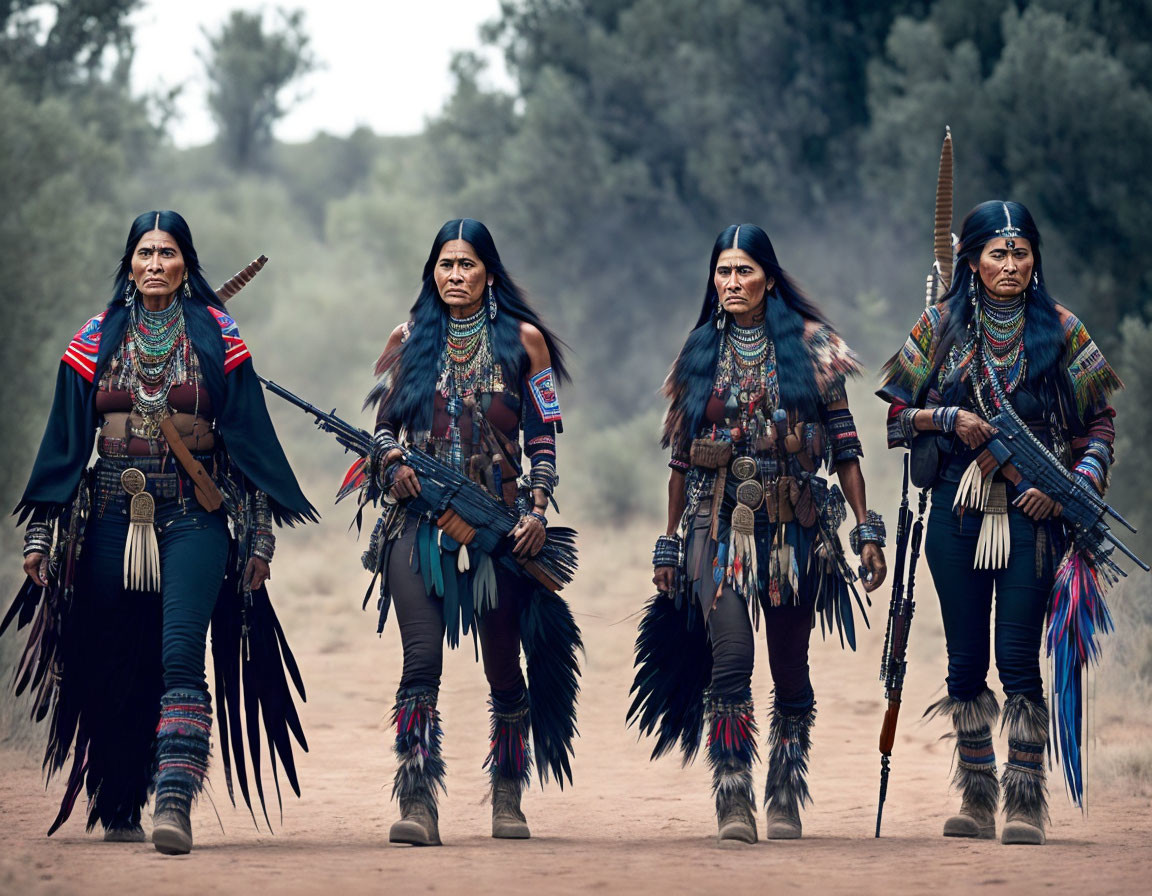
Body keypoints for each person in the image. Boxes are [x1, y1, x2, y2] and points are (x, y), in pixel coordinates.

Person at [5, 210, 315, 855]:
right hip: (110, 512)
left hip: (191, 514)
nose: (155, 264)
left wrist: (258, 536)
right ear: (129, 263)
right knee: (115, 656)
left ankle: (174, 799)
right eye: (144, 252)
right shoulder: (94, 338)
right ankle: (120, 797)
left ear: (185, 263)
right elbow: (65, 445)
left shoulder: (217, 334)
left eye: (167, 253)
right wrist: (41, 533)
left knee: (180, 651)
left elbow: (249, 438)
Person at [877, 200, 1121, 845]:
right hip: (957, 504)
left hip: (1034, 514)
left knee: (1017, 657)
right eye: (997, 252)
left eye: (1021, 252)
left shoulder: (1064, 330)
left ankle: (1023, 803)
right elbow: (896, 421)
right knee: (964, 661)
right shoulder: (940, 326)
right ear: (972, 260)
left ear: (1035, 258)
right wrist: (948, 419)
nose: (1010, 264)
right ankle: (977, 798)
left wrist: (1074, 487)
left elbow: (1100, 425)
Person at [634, 224, 887, 843]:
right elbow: (679, 461)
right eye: (723, 271)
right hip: (713, 525)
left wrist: (866, 528)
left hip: (794, 528)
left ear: (769, 277)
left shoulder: (816, 349)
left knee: (790, 668)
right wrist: (669, 541)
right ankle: (733, 796)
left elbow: (847, 447)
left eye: (744, 271)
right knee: (732, 661)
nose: (732, 282)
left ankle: (784, 787)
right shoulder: (697, 352)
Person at [363, 218, 579, 846]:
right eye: (445, 265)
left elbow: (543, 439)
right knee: (420, 662)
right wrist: (392, 462)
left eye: (467, 265)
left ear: (489, 272)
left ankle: (508, 794)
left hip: (500, 529)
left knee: (504, 669)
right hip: (418, 524)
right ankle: (417, 799)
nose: (455, 276)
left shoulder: (525, 342)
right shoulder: (408, 341)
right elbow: (381, 430)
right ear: (432, 271)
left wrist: (537, 511)